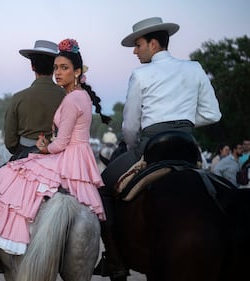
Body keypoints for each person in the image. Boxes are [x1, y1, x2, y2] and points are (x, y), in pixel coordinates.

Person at [0, 38, 110, 262]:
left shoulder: (27, 98)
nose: (59, 72)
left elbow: (14, 141)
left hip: (58, 154)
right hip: (76, 157)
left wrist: (42, 148)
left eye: (64, 68)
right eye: (57, 68)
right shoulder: (69, 95)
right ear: (51, 67)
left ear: (32, 66)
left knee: (2, 180)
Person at [97, 17, 222, 278]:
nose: (134, 51)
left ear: (153, 44)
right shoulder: (195, 68)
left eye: (138, 44)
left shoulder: (140, 74)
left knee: (102, 188)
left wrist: (135, 147)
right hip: (188, 146)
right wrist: (184, 122)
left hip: (150, 146)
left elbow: (130, 126)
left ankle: (115, 261)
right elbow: (213, 115)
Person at [5, 40, 65, 159]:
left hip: (24, 157)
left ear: (32, 66)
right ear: (54, 68)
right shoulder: (67, 97)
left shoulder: (18, 98)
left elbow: (10, 143)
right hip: (58, 159)